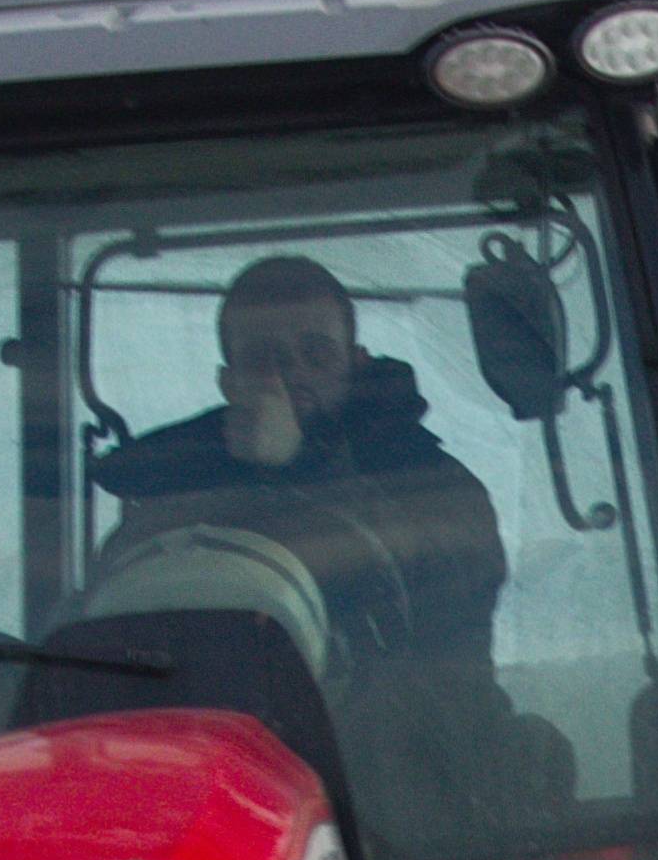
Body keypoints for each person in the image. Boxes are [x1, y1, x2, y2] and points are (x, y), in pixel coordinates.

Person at [85, 255, 508, 672]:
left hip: (395, 728)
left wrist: (291, 470)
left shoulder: (435, 487)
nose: (290, 375)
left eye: (316, 354)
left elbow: (442, 618)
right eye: (261, 360)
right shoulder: (168, 491)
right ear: (229, 383)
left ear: (355, 365)